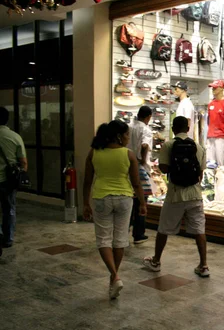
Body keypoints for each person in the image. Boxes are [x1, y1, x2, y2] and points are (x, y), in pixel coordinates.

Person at [83, 120, 146, 299]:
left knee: (103, 240)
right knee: (119, 240)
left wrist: (85, 203)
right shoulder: (129, 154)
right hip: (125, 199)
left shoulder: (94, 152)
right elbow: (136, 183)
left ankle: (115, 276)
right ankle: (114, 277)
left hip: (101, 198)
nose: (128, 138)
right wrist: (142, 203)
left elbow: (87, 181)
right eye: (126, 135)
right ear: (119, 136)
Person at [142, 116, 209, 277]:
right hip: (195, 195)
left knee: (163, 228)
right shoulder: (199, 147)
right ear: (187, 128)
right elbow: (200, 173)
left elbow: (164, 169)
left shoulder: (169, 145)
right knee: (199, 230)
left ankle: (156, 261)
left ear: (173, 129)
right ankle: (204, 265)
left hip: (175, 194)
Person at [0, 107, 27, 256]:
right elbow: (23, 162)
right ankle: (8, 238)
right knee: (9, 208)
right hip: (8, 180)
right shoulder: (15, 137)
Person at [127, 105, 153, 244]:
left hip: (126, 166)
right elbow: (144, 145)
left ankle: (125, 230)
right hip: (140, 168)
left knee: (129, 199)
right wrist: (142, 161)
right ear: (148, 117)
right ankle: (138, 234)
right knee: (141, 201)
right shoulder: (145, 129)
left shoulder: (129, 127)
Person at [207, 79, 224, 166]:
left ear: (221, 88)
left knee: (221, 164)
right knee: (210, 163)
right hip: (210, 136)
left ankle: (223, 179)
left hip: (221, 136)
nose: (213, 90)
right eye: (212, 88)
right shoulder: (211, 104)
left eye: (215, 88)